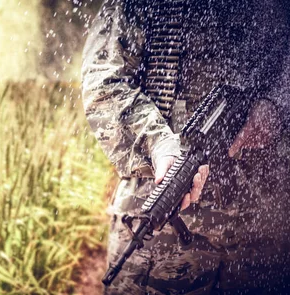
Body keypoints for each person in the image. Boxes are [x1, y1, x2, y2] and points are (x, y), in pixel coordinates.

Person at [82, 0, 290, 293]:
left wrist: (278, 104)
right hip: (164, 225)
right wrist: (157, 141)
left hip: (266, 232)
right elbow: (103, 80)